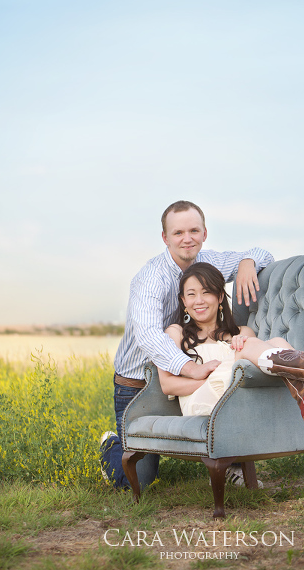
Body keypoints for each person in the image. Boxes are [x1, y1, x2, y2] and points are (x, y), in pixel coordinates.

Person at [100, 201, 274, 490]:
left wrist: (247, 263)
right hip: (137, 383)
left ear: (204, 233)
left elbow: (262, 252)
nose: (187, 238)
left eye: (194, 230)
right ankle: (111, 447)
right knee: (140, 483)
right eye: (178, 232)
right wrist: (190, 368)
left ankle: (230, 464)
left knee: (221, 393)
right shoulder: (150, 279)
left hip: (191, 373)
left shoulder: (210, 263)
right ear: (165, 238)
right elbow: (148, 335)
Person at [158, 263, 304, 426]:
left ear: (219, 297)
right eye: (191, 294)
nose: (198, 301)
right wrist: (209, 379)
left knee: (277, 342)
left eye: (206, 292)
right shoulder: (175, 333)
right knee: (250, 347)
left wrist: (237, 350)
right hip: (201, 402)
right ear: (183, 301)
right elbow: (168, 385)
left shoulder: (242, 333)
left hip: (241, 398)